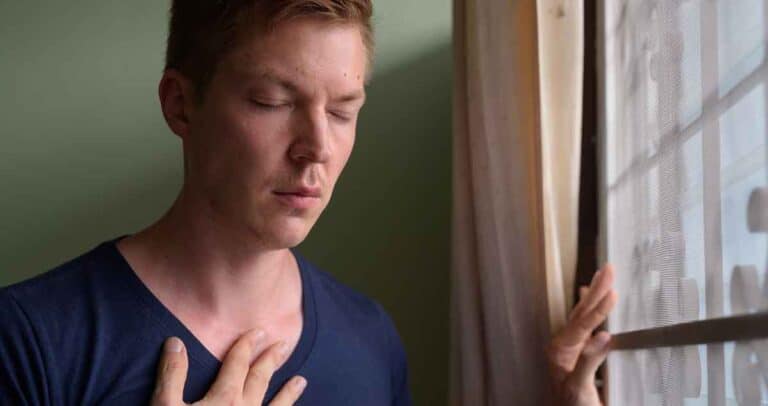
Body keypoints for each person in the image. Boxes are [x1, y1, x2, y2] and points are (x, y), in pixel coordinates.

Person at [0, 1, 617, 405]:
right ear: (181, 104)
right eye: (272, 102)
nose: (316, 148)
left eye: (344, 112)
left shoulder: (373, 340)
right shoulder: (27, 340)